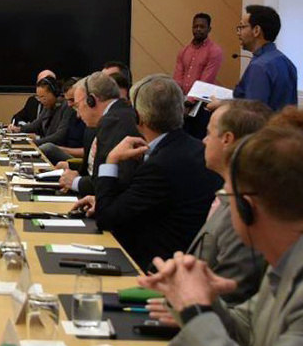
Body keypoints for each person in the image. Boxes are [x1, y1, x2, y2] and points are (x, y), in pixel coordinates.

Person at [138, 119, 303, 346]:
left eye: (226, 196)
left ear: (246, 208)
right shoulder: (291, 257)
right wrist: (206, 300)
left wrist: (196, 310)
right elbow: (249, 331)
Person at [75, 75, 221, 270]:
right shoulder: (196, 149)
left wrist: (111, 160)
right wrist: (105, 199)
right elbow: (148, 201)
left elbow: (106, 218)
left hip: (150, 268)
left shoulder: (160, 165)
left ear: (138, 117)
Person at [186, 99, 271, 305]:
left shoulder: (245, 209)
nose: (204, 141)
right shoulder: (227, 195)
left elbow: (231, 294)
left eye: (208, 133)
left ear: (227, 139)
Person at [59, 72, 141, 196]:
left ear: (91, 100)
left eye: (77, 106)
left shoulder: (115, 121)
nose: (78, 115)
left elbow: (117, 180)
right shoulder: (105, 121)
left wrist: (76, 182)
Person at [232, 5, 298, 110]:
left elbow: (252, 114)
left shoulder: (259, 67)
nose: (238, 32)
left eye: (242, 27)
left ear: (256, 30)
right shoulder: (287, 62)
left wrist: (222, 107)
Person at [8, 76, 72, 145]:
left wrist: (33, 142)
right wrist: (18, 129)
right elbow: (36, 124)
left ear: (55, 93)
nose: (41, 101)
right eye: (39, 97)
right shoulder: (47, 106)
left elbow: (59, 136)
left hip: (57, 147)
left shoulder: (67, 107)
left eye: (43, 97)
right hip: (46, 144)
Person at [37, 77, 86, 164]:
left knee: (47, 148)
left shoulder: (92, 118)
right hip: (67, 152)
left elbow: (90, 152)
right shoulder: (71, 112)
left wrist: (62, 149)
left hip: (79, 160)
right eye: (67, 100)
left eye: (73, 100)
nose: (69, 105)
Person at [173, 13, 223, 95]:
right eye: (195, 27)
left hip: (202, 100)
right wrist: (178, 96)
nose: (198, 29)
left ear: (209, 29)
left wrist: (191, 99)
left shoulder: (215, 51)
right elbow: (178, 77)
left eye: (202, 27)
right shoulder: (184, 51)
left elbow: (206, 80)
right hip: (182, 99)